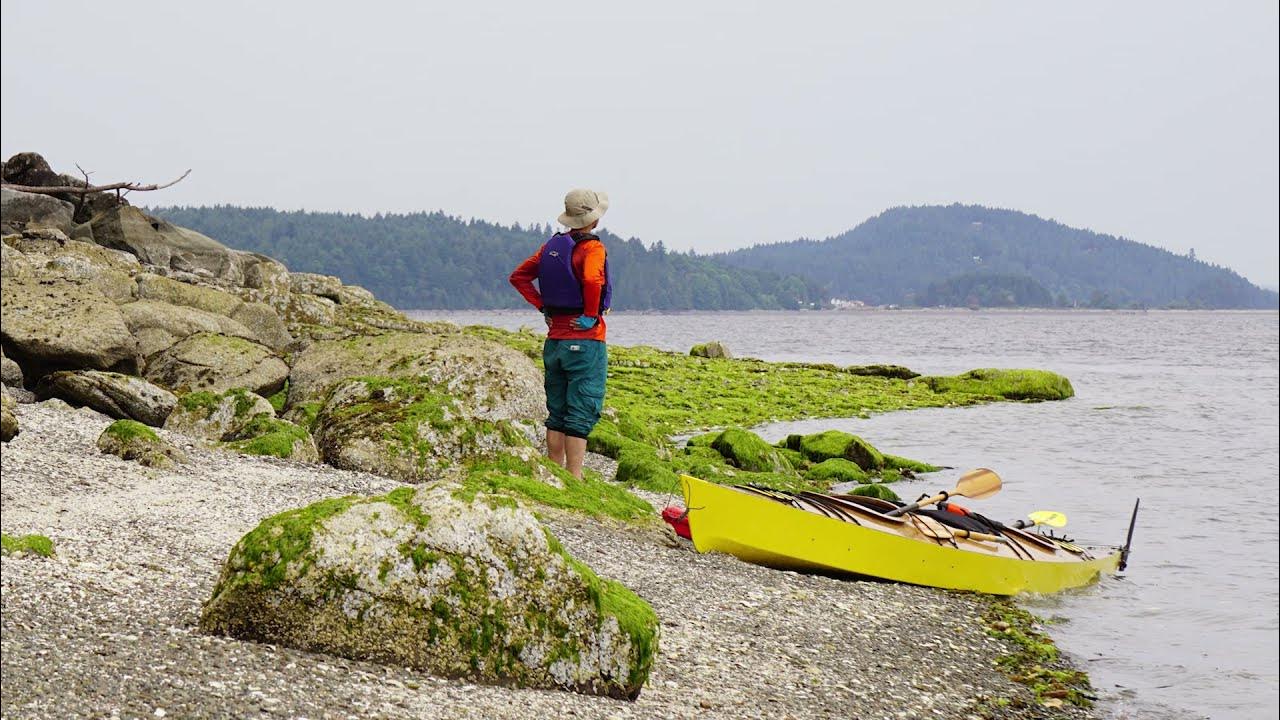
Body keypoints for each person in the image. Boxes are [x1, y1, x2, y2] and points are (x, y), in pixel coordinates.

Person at [509, 188, 613, 479]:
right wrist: (590, 315)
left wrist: (543, 306)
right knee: (581, 410)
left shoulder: (550, 248)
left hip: (554, 342)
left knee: (557, 412)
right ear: (594, 220)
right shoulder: (593, 249)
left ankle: (554, 475)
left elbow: (519, 277)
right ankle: (575, 478)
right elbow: (592, 278)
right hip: (585, 342)